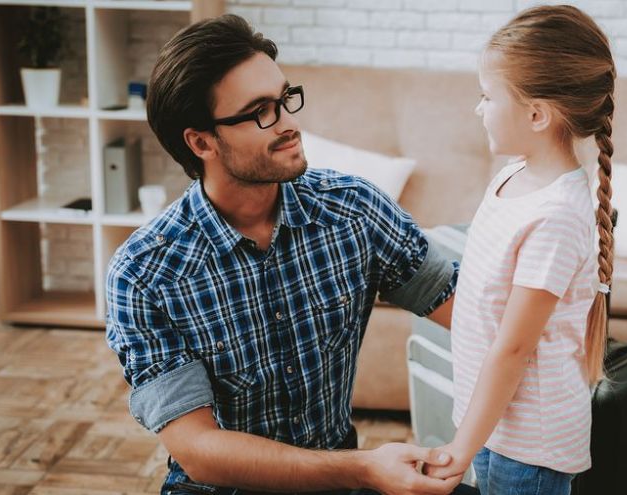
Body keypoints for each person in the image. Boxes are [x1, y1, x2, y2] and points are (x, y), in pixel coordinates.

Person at [104, 14, 475, 495]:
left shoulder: (354, 210)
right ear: (200, 142)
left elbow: (466, 309)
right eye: (261, 111)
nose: (289, 124)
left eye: (284, 100)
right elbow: (198, 450)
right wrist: (362, 468)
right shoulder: (144, 273)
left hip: (335, 476)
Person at [423, 5, 616, 494]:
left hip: (530, 447)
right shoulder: (512, 175)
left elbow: (512, 348)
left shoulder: (556, 216)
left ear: (536, 114)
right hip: (493, 425)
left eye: (487, 96)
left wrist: (460, 447)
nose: (478, 108)